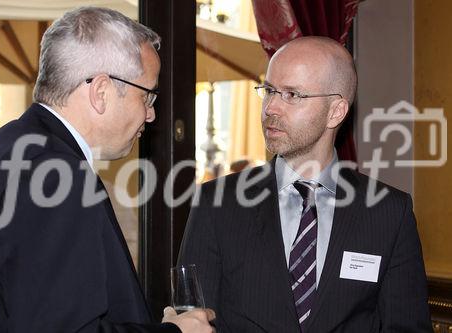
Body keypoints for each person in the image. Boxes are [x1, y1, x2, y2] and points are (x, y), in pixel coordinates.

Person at [0, 7, 214, 333]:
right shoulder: (52, 172)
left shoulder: (4, 146)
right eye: (147, 96)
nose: (150, 115)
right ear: (101, 91)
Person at [178, 36, 432, 332]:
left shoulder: (389, 212)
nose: (271, 107)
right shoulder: (216, 203)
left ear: (336, 111)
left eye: (292, 95)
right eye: (269, 90)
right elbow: (193, 324)